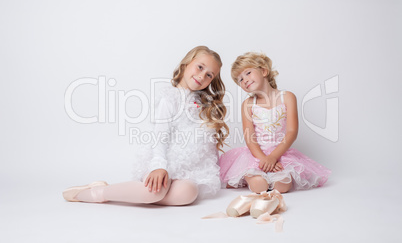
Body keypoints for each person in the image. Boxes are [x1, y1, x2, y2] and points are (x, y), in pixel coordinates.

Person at [63, 46, 229, 206]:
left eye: (209, 75)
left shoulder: (202, 104)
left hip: (188, 170)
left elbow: (205, 143)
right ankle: (98, 192)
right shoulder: (169, 98)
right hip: (164, 161)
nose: (202, 76)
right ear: (186, 64)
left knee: (188, 193)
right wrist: (158, 166)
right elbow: (160, 137)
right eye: (200, 67)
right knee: (155, 191)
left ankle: (140, 195)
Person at [219, 52, 331, 194]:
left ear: (264, 71)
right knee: (259, 186)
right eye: (240, 79)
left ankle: (271, 175)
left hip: (279, 153)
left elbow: (291, 132)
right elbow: (249, 137)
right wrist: (263, 159)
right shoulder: (248, 104)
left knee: (282, 187)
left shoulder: (287, 97)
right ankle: (250, 176)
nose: (244, 80)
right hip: (256, 155)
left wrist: (273, 157)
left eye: (248, 73)